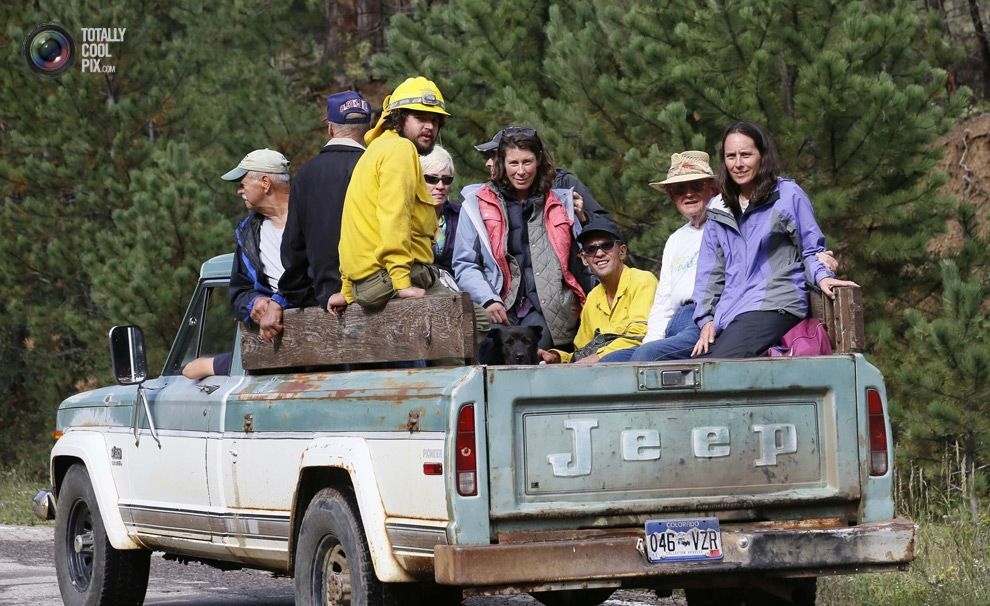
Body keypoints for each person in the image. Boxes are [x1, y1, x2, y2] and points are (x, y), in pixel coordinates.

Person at [332, 77, 489, 335]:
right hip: (391, 279)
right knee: (477, 324)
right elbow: (394, 219)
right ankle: (448, 374)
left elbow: (353, 225)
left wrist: (347, 290)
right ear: (399, 117)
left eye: (435, 120)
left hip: (369, 281)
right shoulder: (400, 151)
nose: (430, 126)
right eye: (420, 117)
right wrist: (402, 283)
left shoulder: (376, 149)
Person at [691, 121, 857, 358]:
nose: (738, 164)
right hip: (732, 310)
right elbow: (710, 272)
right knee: (692, 365)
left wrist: (823, 276)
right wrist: (706, 319)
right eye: (731, 156)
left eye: (746, 155)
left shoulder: (787, 195)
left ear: (762, 156)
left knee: (718, 363)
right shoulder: (718, 209)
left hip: (777, 303)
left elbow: (811, 249)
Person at [454, 127, 590, 351]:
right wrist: (488, 299)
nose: (521, 171)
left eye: (527, 162)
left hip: (550, 310)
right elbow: (465, 263)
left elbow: (585, 260)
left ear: (538, 161)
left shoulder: (562, 203)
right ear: (501, 164)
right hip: (498, 306)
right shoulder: (475, 205)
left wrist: (583, 221)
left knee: (534, 365)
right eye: (513, 163)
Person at [600, 151, 716, 362]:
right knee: (610, 362)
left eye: (697, 186)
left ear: (712, 189)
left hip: (704, 320)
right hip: (676, 322)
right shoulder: (675, 239)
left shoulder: (723, 228)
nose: (688, 194)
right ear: (672, 196)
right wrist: (652, 340)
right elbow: (663, 300)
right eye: (680, 189)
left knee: (647, 356)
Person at [279, 90, 371, 311]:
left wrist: (310, 294)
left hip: (324, 300)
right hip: (375, 297)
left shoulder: (306, 174)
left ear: (330, 128)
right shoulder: (374, 167)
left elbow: (293, 248)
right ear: (368, 128)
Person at [538, 217, 656, 364]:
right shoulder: (593, 296)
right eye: (590, 249)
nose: (599, 253)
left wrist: (599, 357)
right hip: (600, 375)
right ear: (584, 259)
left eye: (606, 246)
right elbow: (581, 350)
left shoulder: (643, 280)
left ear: (622, 252)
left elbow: (640, 337)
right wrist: (559, 358)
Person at [221, 148, 293, 342]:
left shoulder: (311, 217)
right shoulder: (247, 233)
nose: (239, 191)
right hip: (276, 347)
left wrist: (279, 302)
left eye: (243, 183)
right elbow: (239, 292)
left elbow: (318, 277)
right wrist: (255, 302)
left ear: (265, 183)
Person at [475, 129, 610, 225]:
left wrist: (584, 218)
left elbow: (609, 228)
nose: (488, 163)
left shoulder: (563, 183)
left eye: (493, 156)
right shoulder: (489, 197)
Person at [420, 144, 460, 275]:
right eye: (432, 179)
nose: (440, 186)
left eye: (447, 180)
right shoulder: (404, 216)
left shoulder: (462, 216)